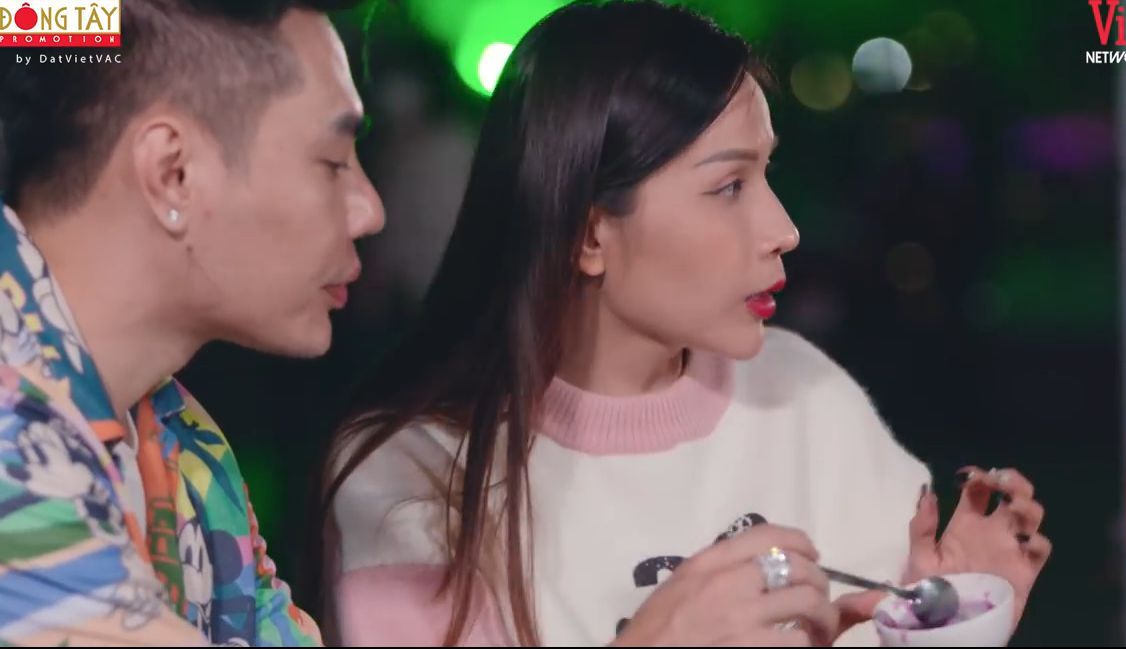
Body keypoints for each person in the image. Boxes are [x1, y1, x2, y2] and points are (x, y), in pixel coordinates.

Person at [320, 1, 1049, 646]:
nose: (784, 229)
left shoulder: (806, 395)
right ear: (589, 232)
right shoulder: (415, 477)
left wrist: (937, 626)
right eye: (728, 186)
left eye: (766, 174)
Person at [0, 0, 384, 644]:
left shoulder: (182, 439)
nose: (369, 210)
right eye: (334, 160)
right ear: (171, 173)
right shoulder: (12, 425)